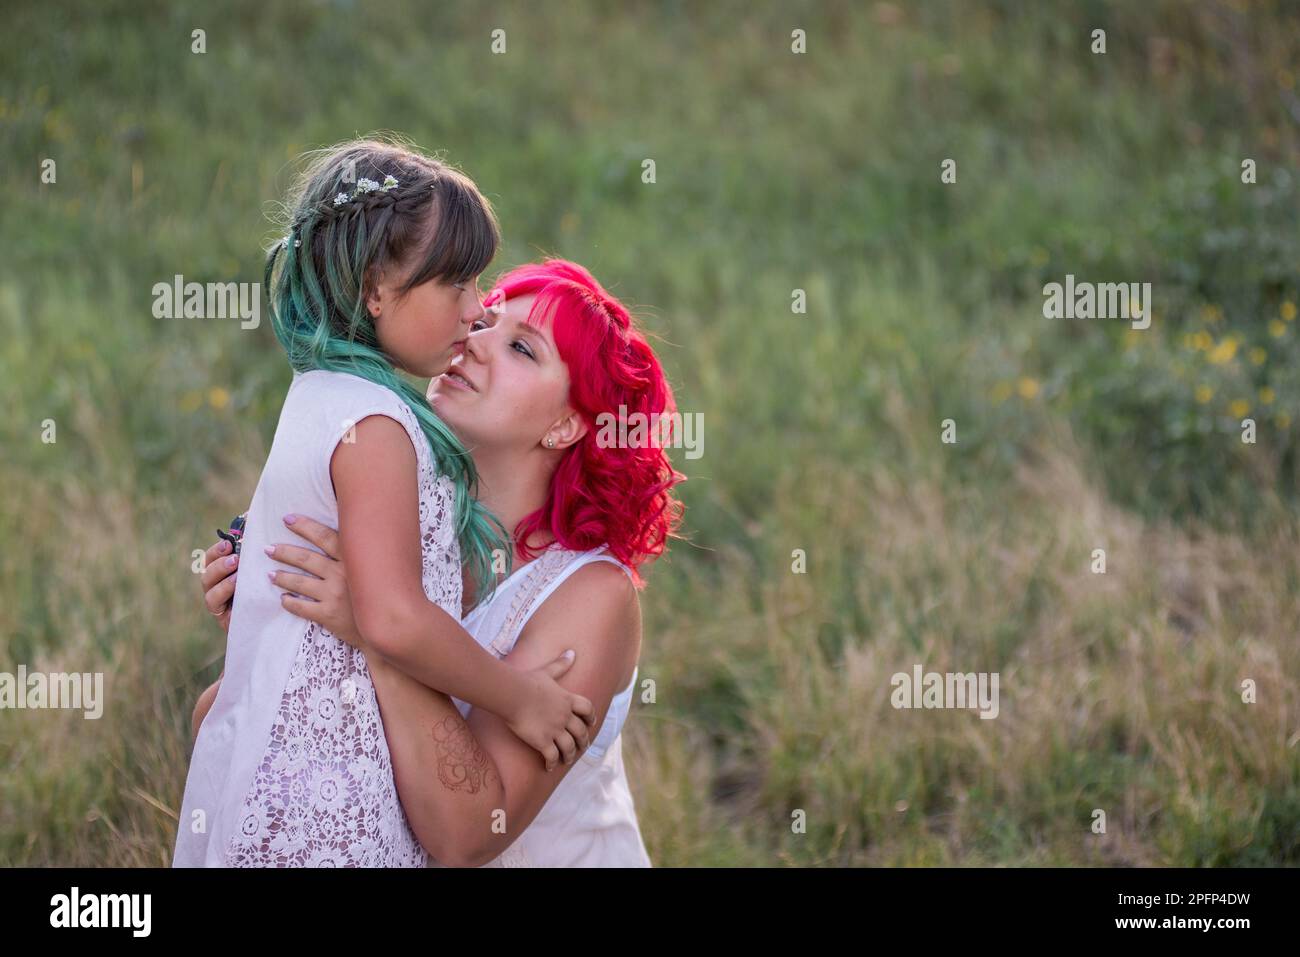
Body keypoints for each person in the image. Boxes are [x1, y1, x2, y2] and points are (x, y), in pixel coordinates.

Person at [175, 140, 594, 868]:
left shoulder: (316, 398)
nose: (475, 311)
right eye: (457, 285)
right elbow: (395, 616)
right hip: (329, 813)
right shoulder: (376, 425)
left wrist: (263, 614)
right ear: (375, 289)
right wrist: (520, 698)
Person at [195, 260, 685, 865]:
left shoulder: (593, 594)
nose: (474, 340)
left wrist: (375, 629)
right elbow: (216, 731)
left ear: (566, 425)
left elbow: (467, 833)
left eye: (521, 349)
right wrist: (272, 633)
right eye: (486, 319)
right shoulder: (404, 519)